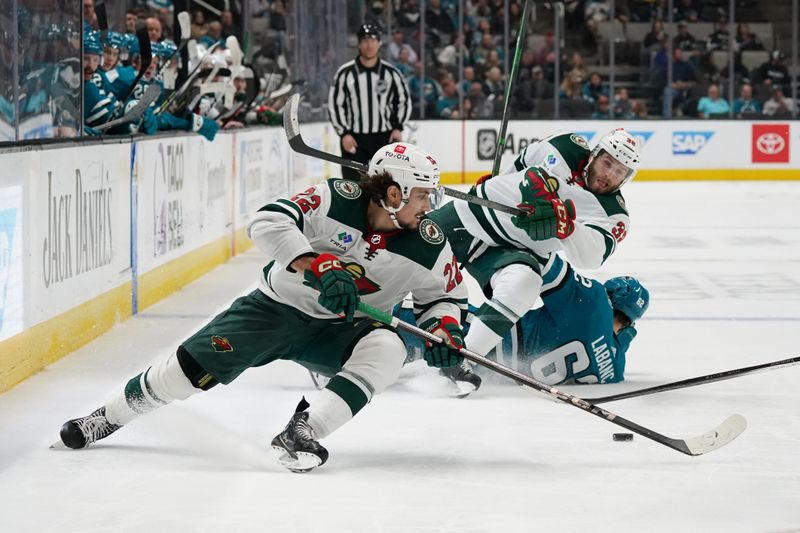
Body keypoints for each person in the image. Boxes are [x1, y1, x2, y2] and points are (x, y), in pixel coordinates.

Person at [57, 143, 468, 473]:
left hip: (344, 329)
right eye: (421, 194)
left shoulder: (429, 242)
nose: (428, 205)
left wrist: (445, 329)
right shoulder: (334, 198)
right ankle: (108, 416)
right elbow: (269, 219)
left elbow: (445, 295)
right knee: (184, 375)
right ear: (393, 193)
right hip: (273, 309)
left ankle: (303, 431)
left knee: (390, 348)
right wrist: (315, 262)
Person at [426, 129, 641, 393]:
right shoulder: (564, 146)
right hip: (471, 217)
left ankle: (461, 361)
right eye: (607, 163)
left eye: (619, 172)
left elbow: (593, 254)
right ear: (595, 154)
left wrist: (567, 227)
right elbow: (522, 163)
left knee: (525, 283)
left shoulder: (614, 214)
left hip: (514, 250)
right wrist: (499, 183)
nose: (609, 175)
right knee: (403, 256)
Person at [397, 254, 649, 388]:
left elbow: (541, 263)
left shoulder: (593, 306)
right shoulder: (614, 370)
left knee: (406, 313)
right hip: (492, 372)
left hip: (480, 335)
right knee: (409, 344)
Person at [328, 23, 412, 180]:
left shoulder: (391, 73)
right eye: (365, 40)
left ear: (379, 43)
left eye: (373, 40)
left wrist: (398, 127)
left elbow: (403, 101)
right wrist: (344, 133)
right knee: (352, 188)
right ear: (359, 44)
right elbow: (335, 104)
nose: (369, 44)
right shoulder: (345, 73)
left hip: (384, 138)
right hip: (354, 139)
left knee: (384, 187)